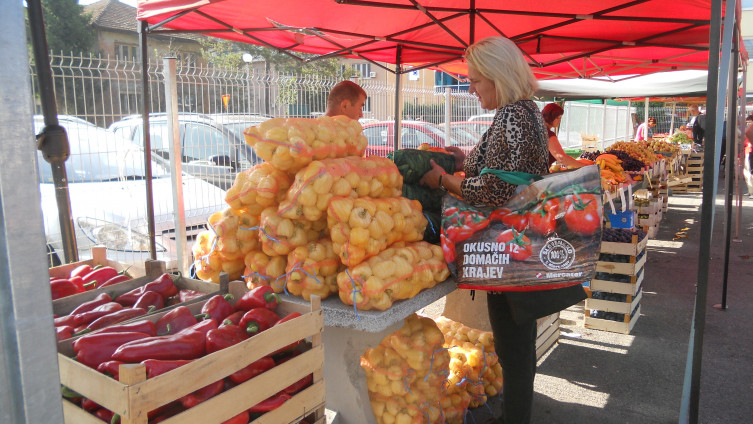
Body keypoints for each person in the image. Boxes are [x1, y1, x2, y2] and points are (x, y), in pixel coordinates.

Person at [418, 36, 586, 424]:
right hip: (524, 245)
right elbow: (505, 173)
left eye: (476, 81)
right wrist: (466, 159)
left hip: (510, 251)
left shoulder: (513, 115)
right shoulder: (525, 112)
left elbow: (494, 190)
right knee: (520, 349)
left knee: (514, 352)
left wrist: (443, 180)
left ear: (497, 76)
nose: (472, 89)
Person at [541, 103, 583, 169]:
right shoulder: (548, 134)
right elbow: (561, 157)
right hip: (537, 175)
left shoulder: (539, 130)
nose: (560, 120)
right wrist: (585, 167)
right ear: (551, 117)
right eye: (559, 118)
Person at [744, 115, 753, 198]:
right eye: (747, 123)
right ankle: (750, 191)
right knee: (747, 173)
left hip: (751, 152)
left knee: (751, 173)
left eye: (750, 122)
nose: (748, 124)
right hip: (747, 152)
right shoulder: (748, 131)